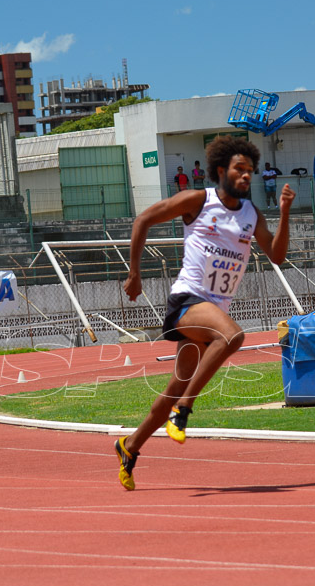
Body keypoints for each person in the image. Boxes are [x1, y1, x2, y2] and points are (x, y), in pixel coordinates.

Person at [114, 136, 295, 490]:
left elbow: (276, 254)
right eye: (239, 170)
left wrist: (285, 212)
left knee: (176, 383)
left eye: (250, 172)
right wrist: (135, 273)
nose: (246, 176)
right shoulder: (199, 201)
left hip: (211, 310)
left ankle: (129, 446)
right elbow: (143, 221)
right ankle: (184, 410)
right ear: (220, 170)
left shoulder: (251, 214)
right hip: (187, 300)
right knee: (232, 336)